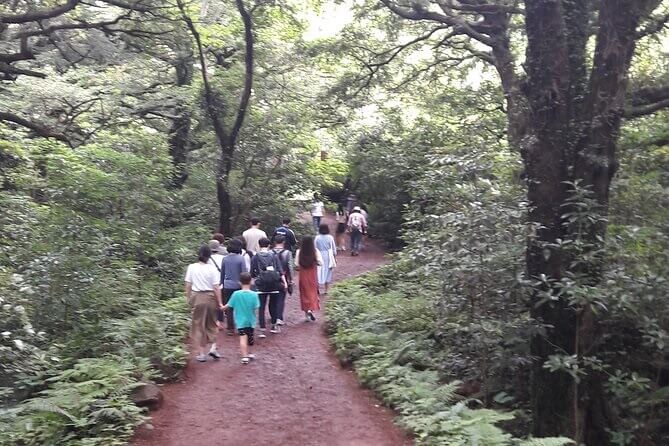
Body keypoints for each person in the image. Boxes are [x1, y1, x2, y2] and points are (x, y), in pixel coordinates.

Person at [184, 245, 224, 362]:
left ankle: (201, 354)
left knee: (198, 325)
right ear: (209, 256)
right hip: (210, 297)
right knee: (212, 323)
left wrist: (188, 298)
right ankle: (213, 347)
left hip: (196, 297)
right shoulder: (212, 269)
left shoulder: (191, 267)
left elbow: (188, 284)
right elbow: (216, 287)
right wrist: (220, 303)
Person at [250, 238, 287, 338]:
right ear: (269, 245)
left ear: (259, 245)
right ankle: (274, 326)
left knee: (261, 306)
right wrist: (284, 282)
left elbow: (252, 272)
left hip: (261, 284)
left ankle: (262, 329)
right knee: (273, 304)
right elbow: (279, 270)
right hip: (273, 283)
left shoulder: (255, 257)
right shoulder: (274, 255)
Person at [223, 272, 259, 364]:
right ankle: (249, 353)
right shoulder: (254, 294)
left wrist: (222, 307)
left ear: (239, 282)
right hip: (251, 320)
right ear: (251, 281)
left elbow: (229, 305)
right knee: (250, 337)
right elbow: (256, 307)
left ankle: (244, 356)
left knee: (243, 338)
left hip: (240, 321)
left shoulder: (236, 294)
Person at [220, 238, 248, 336]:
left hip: (227, 285)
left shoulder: (225, 258)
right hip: (239, 285)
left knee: (229, 307)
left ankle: (230, 328)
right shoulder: (241, 258)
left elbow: (222, 273)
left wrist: (221, 284)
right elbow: (244, 273)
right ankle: (241, 327)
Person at [295, 236, 322, 322]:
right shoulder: (315, 251)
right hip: (312, 274)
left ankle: (307, 313)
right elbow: (320, 262)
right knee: (312, 292)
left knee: (304, 293)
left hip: (303, 275)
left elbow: (296, 264)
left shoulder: (299, 252)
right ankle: (311, 309)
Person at [271, 235, 293, 332]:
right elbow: (290, 267)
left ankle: (273, 318)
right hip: (283, 277)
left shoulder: (270, 252)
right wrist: (291, 279)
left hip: (271, 278)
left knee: (272, 299)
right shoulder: (288, 253)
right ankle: (279, 318)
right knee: (281, 299)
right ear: (283, 242)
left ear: (275, 242)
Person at [315, 223, 337, 295]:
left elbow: (314, 247)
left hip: (319, 254)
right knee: (328, 271)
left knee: (318, 271)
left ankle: (317, 288)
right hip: (328, 255)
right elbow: (333, 248)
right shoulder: (330, 237)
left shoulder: (317, 237)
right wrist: (334, 256)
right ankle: (326, 290)